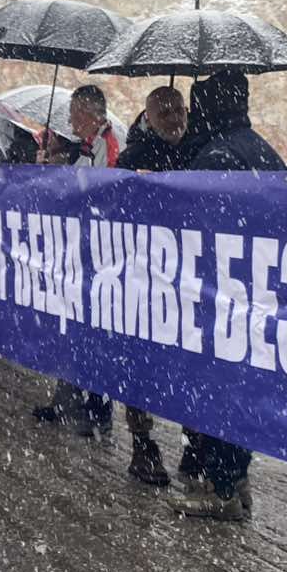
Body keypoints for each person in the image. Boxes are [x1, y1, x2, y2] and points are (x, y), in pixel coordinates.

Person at [164, 70, 286, 521]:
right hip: (257, 294)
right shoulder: (262, 150)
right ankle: (237, 479)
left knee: (214, 389)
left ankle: (222, 488)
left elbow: (190, 224)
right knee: (240, 390)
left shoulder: (215, 154)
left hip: (220, 295)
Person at [116, 85, 194, 487]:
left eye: (178, 109)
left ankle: (192, 449)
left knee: (187, 366)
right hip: (142, 280)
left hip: (186, 281)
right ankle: (143, 446)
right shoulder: (132, 159)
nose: (174, 118)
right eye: (164, 112)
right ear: (148, 117)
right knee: (139, 367)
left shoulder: (198, 150)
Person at [33, 85, 120, 434]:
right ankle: (67, 399)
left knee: (94, 332)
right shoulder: (87, 145)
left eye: (73, 112)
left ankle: (98, 410)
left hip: (98, 255)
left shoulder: (107, 145)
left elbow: (100, 195)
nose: (68, 119)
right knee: (74, 329)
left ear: (88, 113)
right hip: (80, 251)